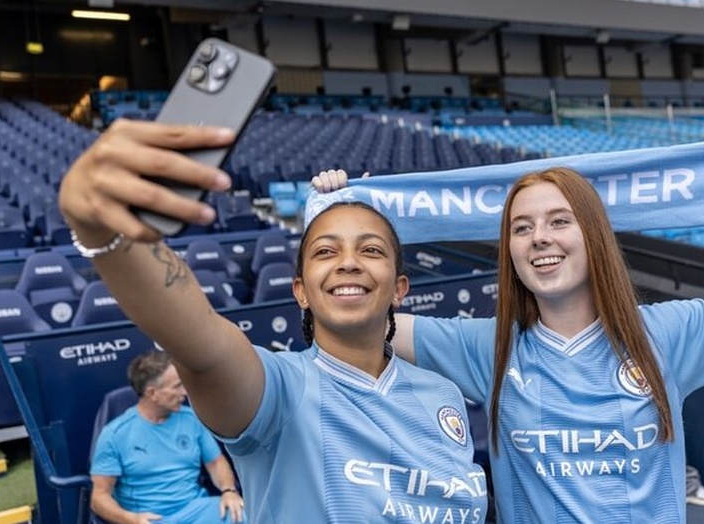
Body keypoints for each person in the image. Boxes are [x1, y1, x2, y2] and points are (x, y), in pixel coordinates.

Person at [312, 107, 704, 523]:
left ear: (593, 236)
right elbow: (352, 320)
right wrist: (344, 221)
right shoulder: (487, 347)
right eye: (521, 228)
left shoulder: (669, 335)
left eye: (559, 221)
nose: (540, 238)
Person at [58, 124, 488, 522]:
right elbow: (199, 343)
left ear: (400, 288)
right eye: (325, 252)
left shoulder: (441, 393)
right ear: (300, 291)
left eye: (371, 250)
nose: (349, 263)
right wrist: (103, 229)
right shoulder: (278, 391)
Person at [91, 350, 245, 524]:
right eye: (177, 386)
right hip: (148, 518)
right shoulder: (115, 434)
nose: (185, 392)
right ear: (152, 394)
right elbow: (99, 497)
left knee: (239, 514)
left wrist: (229, 491)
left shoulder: (192, 419)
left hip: (195, 510)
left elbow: (216, 463)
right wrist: (130, 519)